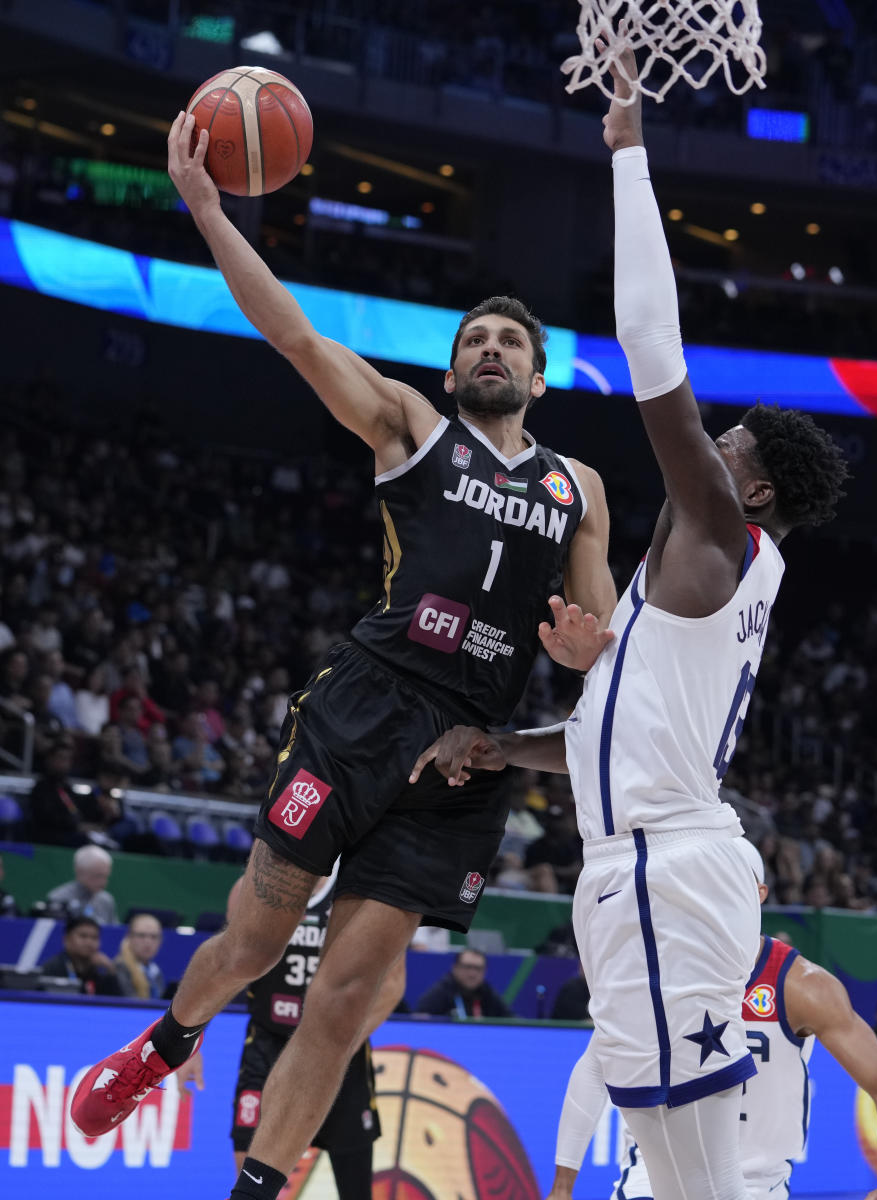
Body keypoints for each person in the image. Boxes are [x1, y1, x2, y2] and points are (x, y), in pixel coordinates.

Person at [71, 106, 617, 1200]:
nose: (490, 349)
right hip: (368, 704)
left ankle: (254, 1190)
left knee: (351, 993)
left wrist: (588, 640)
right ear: (453, 368)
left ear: (542, 380)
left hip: (468, 753)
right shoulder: (413, 427)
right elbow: (296, 337)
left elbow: (601, 637)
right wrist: (209, 212)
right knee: (256, 944)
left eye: (510, 342)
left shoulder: (578, 488)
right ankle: (165, 1046)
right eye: (474, 339)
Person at [410, 45, 848, 1200]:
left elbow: (653, 350)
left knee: (685, 1175)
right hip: (649, 859)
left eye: (733, 447)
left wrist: (627, 154)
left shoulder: (718, 528)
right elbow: (624, 732)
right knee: (669, 1168)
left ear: (749, 488)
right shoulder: (704, 580)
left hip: (663, 865)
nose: (715, 450)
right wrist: (512, 746)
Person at [544, 842, 877, 1200]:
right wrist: (563, 1184)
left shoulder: (802, 985)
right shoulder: (654, 969)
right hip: (656, 1172)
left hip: (757, 1183)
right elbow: (595, 1068)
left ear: (758, 893)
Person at [227, 870, 381, 1199]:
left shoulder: (358, 889)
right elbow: (229, 965)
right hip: (268, 1040)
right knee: (248, 1164)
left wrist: (338, 1046)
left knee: (354, 1184)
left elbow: (392, 985)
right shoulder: (250, 887)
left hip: (339, 1049)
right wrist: (193, 1040)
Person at [414, 948, 511, 1018]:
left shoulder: (487, 992)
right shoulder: (441, 991)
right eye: (467, 967)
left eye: (478, 969)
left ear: (485, 972)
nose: (472, 974)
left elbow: (513, 1020)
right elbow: (421, 1019)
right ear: (455, 968)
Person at [40, 914, 122, 996]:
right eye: (83, 936)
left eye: (94, 938)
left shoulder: (101, 972)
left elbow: (117, 1004)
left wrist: (111, 970)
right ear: (67, 940)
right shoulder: (52, 969)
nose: (89, 943)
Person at [46, 843, 118, 924]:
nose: (103, 882)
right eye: (98, 876)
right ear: (79, 872)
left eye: (106, 877)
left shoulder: (107, 901)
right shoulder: (59, 898)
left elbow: (114, 933)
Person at [114, 912, 166, 999]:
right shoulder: (119, 968)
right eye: (141, 935)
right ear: (129, 937)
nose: (148, 942)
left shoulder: (155, 971)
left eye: (154, 937)